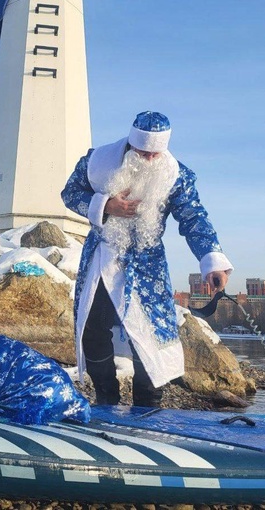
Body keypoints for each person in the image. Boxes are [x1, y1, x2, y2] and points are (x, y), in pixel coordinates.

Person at [61, 111, 233, 406]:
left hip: (148, 263)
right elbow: (69, 193)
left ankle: (148, 404)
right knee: (93, 327)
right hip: (102, 257)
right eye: (143, 152)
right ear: (131, 144)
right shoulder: (97, 162)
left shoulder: (178, 176)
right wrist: (105, 205)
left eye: (156, 154)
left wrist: (211, 259)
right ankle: (106, 397)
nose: (150, 159)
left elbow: (193, 218)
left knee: (150, 335)